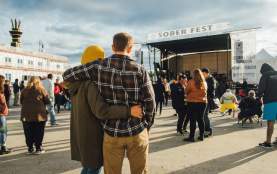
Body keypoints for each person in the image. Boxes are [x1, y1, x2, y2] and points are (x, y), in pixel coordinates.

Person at [63, 32, 155, 174]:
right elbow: (150, 102)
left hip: (112, 132)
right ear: (130, 48)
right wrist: (146, 126)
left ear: (113, 47)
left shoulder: (98, 67)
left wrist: (89, 67)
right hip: (137, 129)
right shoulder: (140, 70)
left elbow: (67, 75)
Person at [20, 76, 50, 154]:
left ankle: (30, 148)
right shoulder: (42, 89)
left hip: (26, 114)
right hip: (39, 115)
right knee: (39, 131)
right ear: (39, 82)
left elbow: (21, 101)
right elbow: (47, 101)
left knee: (28, 131)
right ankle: (38, 148)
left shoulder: (24, 90)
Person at [184, 69, 207, 142]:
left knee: (192, 120)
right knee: (201, 119)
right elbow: (205, 93)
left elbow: (186, 91)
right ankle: (201, 136)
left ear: (194, 74)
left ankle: (191, 137)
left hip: (192, 102)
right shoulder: (204, 83)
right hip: (203, 103)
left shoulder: (191, 82)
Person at [258, 63, 277, 148]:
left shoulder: (265, 75)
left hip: (270, 101)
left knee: (270, 122)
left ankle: (268, 142)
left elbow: (261, 89)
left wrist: (259, 96)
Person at [201, 68, 216, 137]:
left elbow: (210, 90)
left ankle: (208, 130)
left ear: (206, 73)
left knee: (204, 115)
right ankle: (206, 130)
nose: (202, 75)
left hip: (207, 99)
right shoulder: (208, 79)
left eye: (203, 74)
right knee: (204, 115)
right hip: (206, 99)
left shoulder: (210, 79)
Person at [0, 75, 11, 155]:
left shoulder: (1, 91)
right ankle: (3, 147)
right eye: (3, 81)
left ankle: (3, 146)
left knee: (3, 130)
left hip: (2, 114)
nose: (4, 83)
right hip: (1, 114)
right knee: (3, 131)